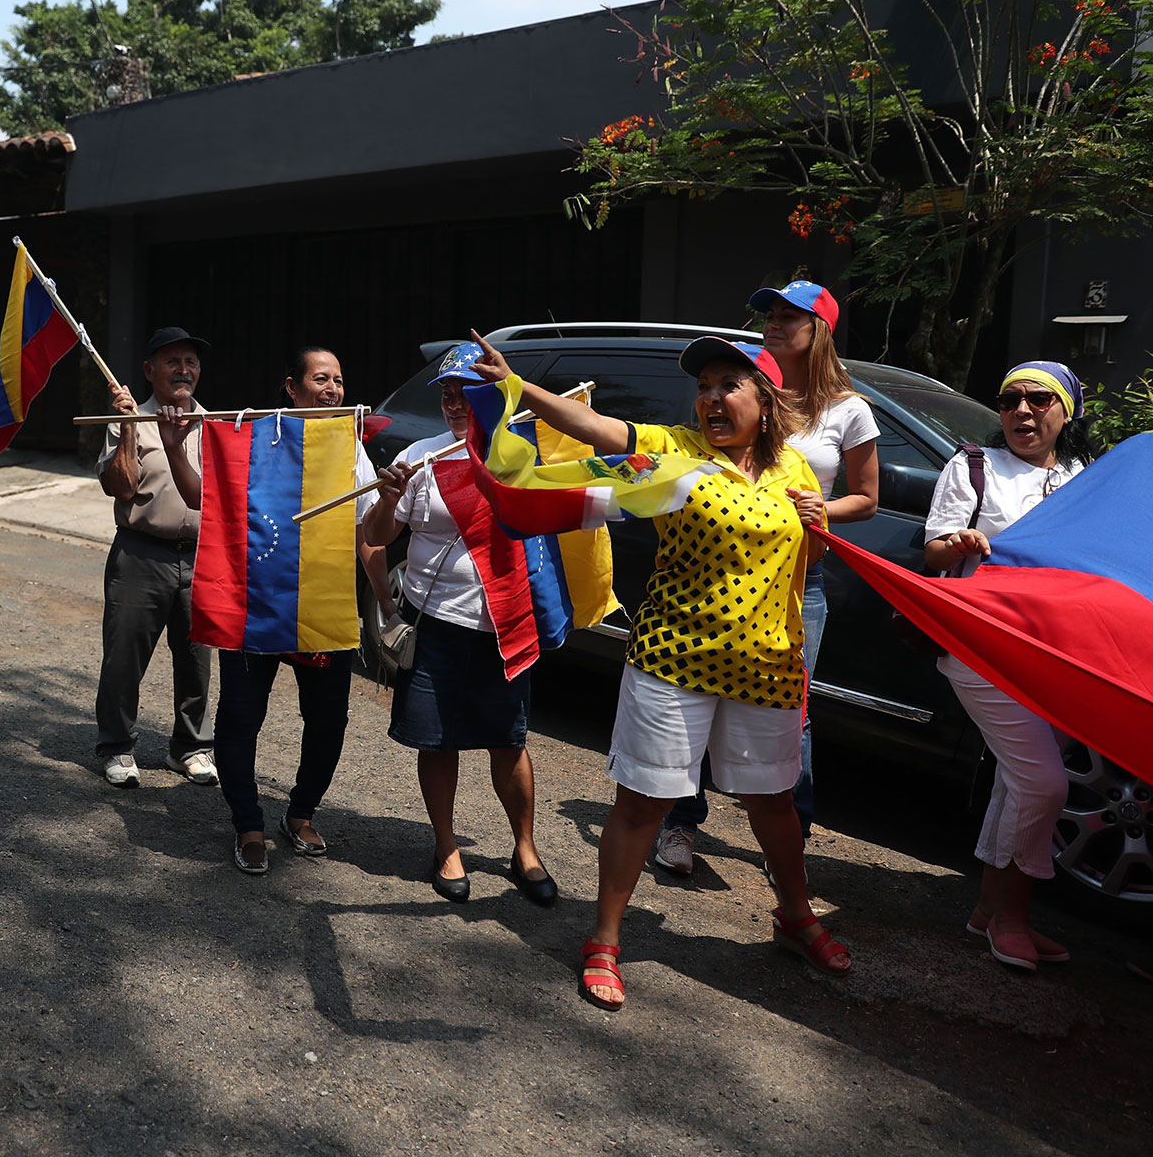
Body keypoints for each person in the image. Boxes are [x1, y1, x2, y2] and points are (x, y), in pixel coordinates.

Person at [498, 330, 850, 1010]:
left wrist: (820, 521)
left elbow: (813, 561)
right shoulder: (672, 452)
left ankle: (796, 916)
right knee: (643, 805)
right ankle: (603, 938)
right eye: (705, 386)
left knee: (775, 803)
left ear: (767, 401)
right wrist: (521, 388)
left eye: (730, 385)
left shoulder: (798, 474)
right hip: (674, 662)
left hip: (769, 667)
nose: (712, 398)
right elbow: (596, 426)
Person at [654, 280, 880, 876]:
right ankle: (679, 825)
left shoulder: (849, 410)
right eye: (768, 315)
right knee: (693, 698)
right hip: (711, 575)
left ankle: (789, 842)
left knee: (791, 715)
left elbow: (868, 499)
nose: (773, 324)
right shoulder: (736, 383)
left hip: (796, 584)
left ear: (820, 330)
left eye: (788, 316)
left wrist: (823, 510)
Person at [363, 342, 558, 908]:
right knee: (437, 738)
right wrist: (386, 498)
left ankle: (525, 848)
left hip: (504, 620)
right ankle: (445, 845)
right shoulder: (421, 457)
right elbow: (376, 536)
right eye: (446, 395)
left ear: (493, 394)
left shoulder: (519, 452)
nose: (453, 404)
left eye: (466, 393)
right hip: (437, 622)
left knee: (509, 740)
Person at [192, 347, 391, 873]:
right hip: (255, 603)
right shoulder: (253, 437)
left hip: (321, 606)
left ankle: (301, 813)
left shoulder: (350, 446)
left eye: (340, 380)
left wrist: (387, 601)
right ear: (292, 386)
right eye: (321, 379)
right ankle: (248, 825)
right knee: (241, 718)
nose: (333, 389)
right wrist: (173, 441)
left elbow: (366, 532)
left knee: (328, 720)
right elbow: (204, 500)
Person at [924, 361, 1094, 971]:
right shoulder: (974, 467)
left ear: (1066, 412)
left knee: (1014, 781)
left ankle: (987, 911)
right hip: (982, 646)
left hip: (1055, 650)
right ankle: (1015, 918)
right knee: (1045, 783)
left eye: (1038, 400)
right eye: (1009, 400)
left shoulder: (1083, 477)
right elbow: (934, 546)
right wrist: (961, 544)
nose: (1022, 411)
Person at [95, 327, 218, 788]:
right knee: (124, 656)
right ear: (150, 371)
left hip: (202, 555)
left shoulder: (216, 422)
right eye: (172, 362)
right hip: (141, 552)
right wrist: (127, 426)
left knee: (196, 658)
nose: (183, 369)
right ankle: (117, 747)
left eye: (190, 361)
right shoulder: (131, 418)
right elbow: (122, 487)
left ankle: (191, 748)